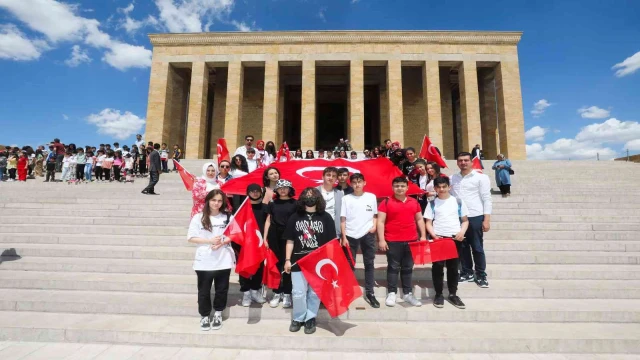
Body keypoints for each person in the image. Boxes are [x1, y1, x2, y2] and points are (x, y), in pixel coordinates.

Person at [284, 187, 336, 335]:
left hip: (319, 263)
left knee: (314, 293)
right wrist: (287, 259)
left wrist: (330, 263)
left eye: (312, 195)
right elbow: (290, 240)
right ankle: (298, 317)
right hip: (298, 261)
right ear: (302, 198)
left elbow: (331, 243)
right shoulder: (295, 217)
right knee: (298, 292)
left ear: (318, 197)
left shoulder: (325, 217)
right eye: (306, 195)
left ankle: (310, 318)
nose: (309, 197)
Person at [187, 189, 235, 331]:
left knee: (221, 289)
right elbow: (190, 237)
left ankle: (218, 313)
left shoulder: (227, 217)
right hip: (204, 260)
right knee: (204, 290)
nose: (216, 203)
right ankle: (204, 315)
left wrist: (223, 242)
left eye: (219, 200)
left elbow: (235, 234)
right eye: (214, 200)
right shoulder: (198, 217)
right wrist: (209, 241)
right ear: (208, 200)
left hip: (223, 259)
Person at [377, 176, 426, 307]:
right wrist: (381, 240)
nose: (400, 188)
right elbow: (380, 222)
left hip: (411, 240)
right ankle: (392, 292)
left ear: (407, 187)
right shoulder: (386, 202)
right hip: (392, 240)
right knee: (393, 267)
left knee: (408, 267)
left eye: (402, 186)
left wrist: (423, 236)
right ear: (393, 187)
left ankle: (408, 293)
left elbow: (420, 219)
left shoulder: (414, 202)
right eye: (397, 186)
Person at [424, 176, 469, 309]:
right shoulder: (432, 203)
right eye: (439, 187)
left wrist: (462, 232)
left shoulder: (458, 201)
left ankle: (453, 294)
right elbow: (428, 222)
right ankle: (438, 294)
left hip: (455, 239)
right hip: (438, 238)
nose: (442, 189)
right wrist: (433, 235)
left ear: (449, 187)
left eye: (444, 186)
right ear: (435, 189)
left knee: (453, 268)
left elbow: (465, 220)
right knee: (437, 267)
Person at [450, 152, 492, 288]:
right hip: (458, 218)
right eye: (460, 160)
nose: (463, 163)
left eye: (466, 160)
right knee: (462, 247)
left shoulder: (481, 178)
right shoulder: (452, 178)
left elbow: (487, 199)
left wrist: (486, 219)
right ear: (457, 162)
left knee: (477, 247)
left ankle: (481, 274)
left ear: (471, 162)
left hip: (475, 216)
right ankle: (467, 271)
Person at [340, 173, 379, 308]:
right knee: (350, 265)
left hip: (367, 234)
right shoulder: (346, 199)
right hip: (350, 235)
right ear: (351, 184)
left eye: (359, 182)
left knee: (369, 263)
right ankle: (348, 292)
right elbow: (343, 219)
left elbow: (375, 214)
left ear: (364, 183)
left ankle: (370, 292)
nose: (357, 184)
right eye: (354, 182)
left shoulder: (371, 197)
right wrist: (344, 236)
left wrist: (374, 226)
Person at [264, 179, 296, 308]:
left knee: (288, 264)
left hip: (290, 236)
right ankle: (277, 292)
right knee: (276, 264)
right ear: (276, 190)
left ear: (290, 189)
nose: (283, 190)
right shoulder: (272, 203)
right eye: (280, 188)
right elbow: (268, 221)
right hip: (274, 235)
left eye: (285, 187)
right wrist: (264, 238)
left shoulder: (296, 203)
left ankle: (287, 293)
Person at [238, 184, 268, 306]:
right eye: (252, 191)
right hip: (245, 243)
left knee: (259, 267)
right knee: (244, 268)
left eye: (257, 191)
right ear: (248, 192)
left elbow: (269, 224)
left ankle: (255, 291)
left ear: (261, 192)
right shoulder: (242, 208)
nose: (255, 193)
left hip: (260, 243)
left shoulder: (266, 208)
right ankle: (246, 293)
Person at [316, 167, 343, 238]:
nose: (331, 178)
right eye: (328, 175)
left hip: (334, 229)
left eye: (334, 176)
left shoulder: (340, 193)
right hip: (316, 229)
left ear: (336, 179)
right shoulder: (314, 191)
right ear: (322, 177)